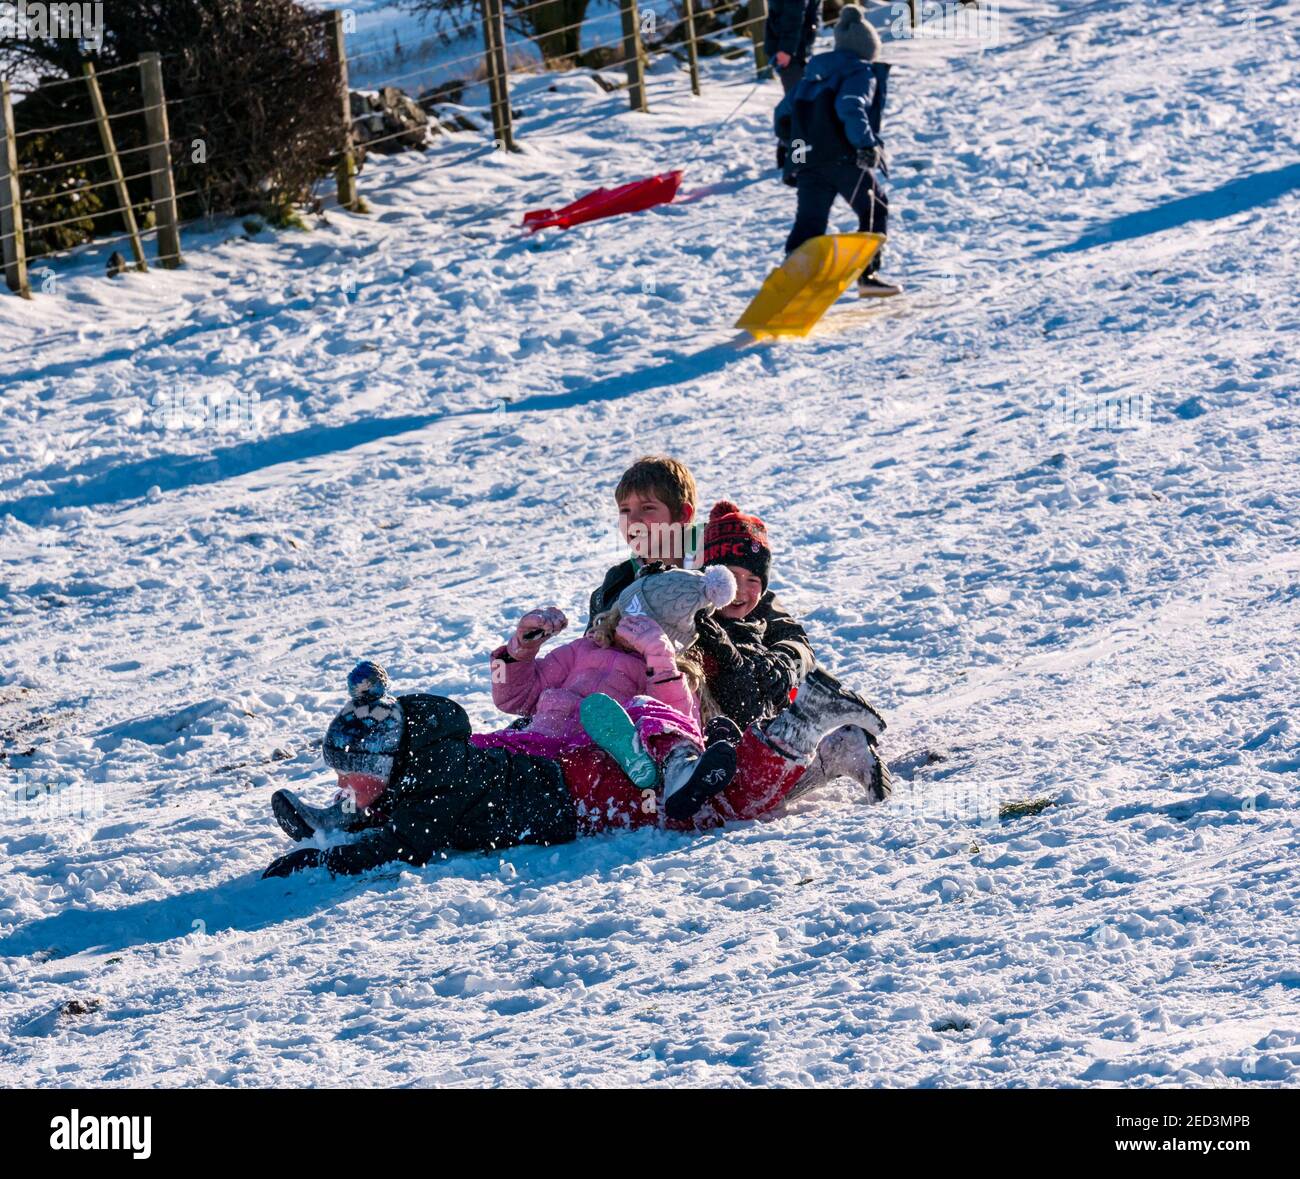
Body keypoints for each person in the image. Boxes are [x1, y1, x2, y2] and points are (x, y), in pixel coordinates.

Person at [262, 652, 888, 879]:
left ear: (387, 761)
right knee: (704, 805)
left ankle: (803, 718)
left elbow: (403, 842)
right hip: (571, 776)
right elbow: (392, 811)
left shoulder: (438, 783)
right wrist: (336, 824)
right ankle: (831, 758)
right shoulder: (423, 766)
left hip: (581, 795)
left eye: (351, 778)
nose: (347, 786)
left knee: (705, 812)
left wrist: (327, 857)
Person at [692, 498, 889, 803]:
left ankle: (811, 713)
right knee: (754, 793)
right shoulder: (696, 610)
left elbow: (798, 642)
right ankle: (836, 748)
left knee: (746, 793)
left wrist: (785, 663)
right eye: (731, 577)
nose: (742, 591)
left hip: (765, 711)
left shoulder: (766, 606)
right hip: (723, 722)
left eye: (753, 579)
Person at [774, 5, 902, 297]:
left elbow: (782, 114)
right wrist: (865, 144)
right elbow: (850, 106)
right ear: (867, 49)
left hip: (807, 162)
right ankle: (867, 276)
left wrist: (794, 145)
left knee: (810, 220)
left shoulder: (810, 77)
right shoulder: (860, 71)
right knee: (874, 207)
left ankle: (791, 282)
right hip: (844, 158)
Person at [587, 455, 699, 628]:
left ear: (683, 514)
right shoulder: (613, 588)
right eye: (625, 510)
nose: (632, 520)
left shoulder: (716, 579)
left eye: (647, 508)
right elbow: (589, 653)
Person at [765, 0, 821, 95]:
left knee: (796, 99)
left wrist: (786, 49)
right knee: (802, 97)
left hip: (791, 51)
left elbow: (793, 15)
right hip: (798, 46)